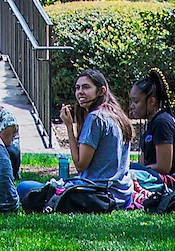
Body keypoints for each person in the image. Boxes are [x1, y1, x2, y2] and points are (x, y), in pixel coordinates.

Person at [23, 68, 134, 213]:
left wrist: (69, 127)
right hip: (123, 196)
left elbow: (80, 165)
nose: (80, 92)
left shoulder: (95, 118)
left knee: (24, 187)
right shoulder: (117, 116)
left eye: (86, 87)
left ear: (101, 91)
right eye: (77, 88)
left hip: (98, 195)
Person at [128, 68, 175, 189]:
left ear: (151, 101)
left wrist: (137, 169)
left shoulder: (162, 123)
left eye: (136, 101)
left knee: (127, 175)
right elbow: (144, 163)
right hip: (163, 180)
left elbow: (163, 167)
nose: (131, 106)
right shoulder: (150, 124)